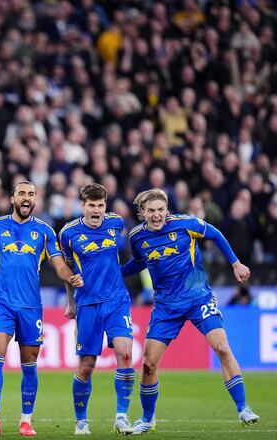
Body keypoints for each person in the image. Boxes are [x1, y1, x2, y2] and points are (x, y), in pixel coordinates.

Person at [0, 181, 83, 437]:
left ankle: (26, 421)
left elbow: (58, 265)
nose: (26, 197)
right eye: (21, 193)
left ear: (35, 200)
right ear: (12, 198)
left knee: (29, 363)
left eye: (31, 194)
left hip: (31, 307)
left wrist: (72, 277)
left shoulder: (44, 231)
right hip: (2, 303)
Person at [122, 189, 259, 433]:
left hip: (198, 298)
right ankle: (147, 419)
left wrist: (236, 263)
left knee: (222, 348)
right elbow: (140, 262)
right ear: (142, 213)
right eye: (151, 211)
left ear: (167, 210)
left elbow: (215, 234)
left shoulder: (186, 224)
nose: (156, 215)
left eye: (160, 210)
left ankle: (243, 408)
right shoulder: (137, 237)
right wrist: (113, 273)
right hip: (166, 306)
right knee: (148, 365)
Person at [58, 183, 135, 435]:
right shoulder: (68, 233)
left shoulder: (116, 223)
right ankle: (81, 420)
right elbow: (67, 269)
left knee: (125, 354)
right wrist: (71, 301)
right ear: (83, 206)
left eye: (100, 205)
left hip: (117, 300)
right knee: (87, 364)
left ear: (105, 205)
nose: (96, 210)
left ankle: (122, 417)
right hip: (87, 304)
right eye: (91, 205)